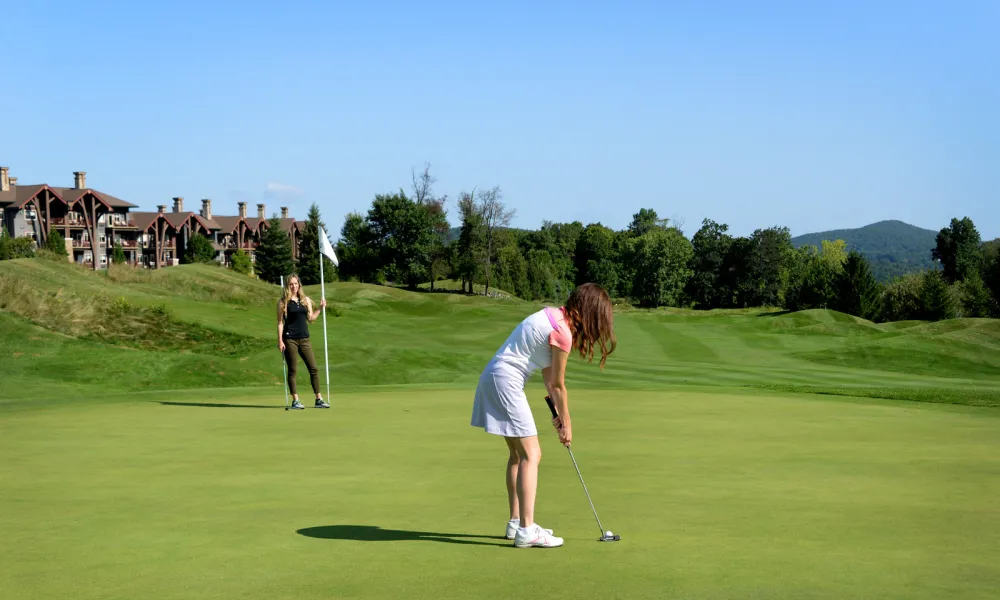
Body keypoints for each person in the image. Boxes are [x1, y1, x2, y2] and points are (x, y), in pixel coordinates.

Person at [470, 282, 616, 548]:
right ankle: (527, 530)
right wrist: (568, 424)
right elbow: (559, 384)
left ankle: (516, 524)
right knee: (532, 454)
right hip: (506, 381)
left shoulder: (552, 316)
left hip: (494, 376)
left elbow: (550, 382)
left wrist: (559, 416)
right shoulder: (563, 332)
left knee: (517, 455)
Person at [277, 274, 328, 410]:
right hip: (290, 339)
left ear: (299, 284)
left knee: (313, 369)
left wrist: (320, 308)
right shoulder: (283, 302)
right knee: (293, 370)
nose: (294, 286)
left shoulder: (306, 300)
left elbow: (311, 319)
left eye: (296, 283)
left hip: (304, 338)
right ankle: (296, 400)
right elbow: (280, 323)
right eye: (291, 284)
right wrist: (280, 340)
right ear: (288, 286)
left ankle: (318, 399)